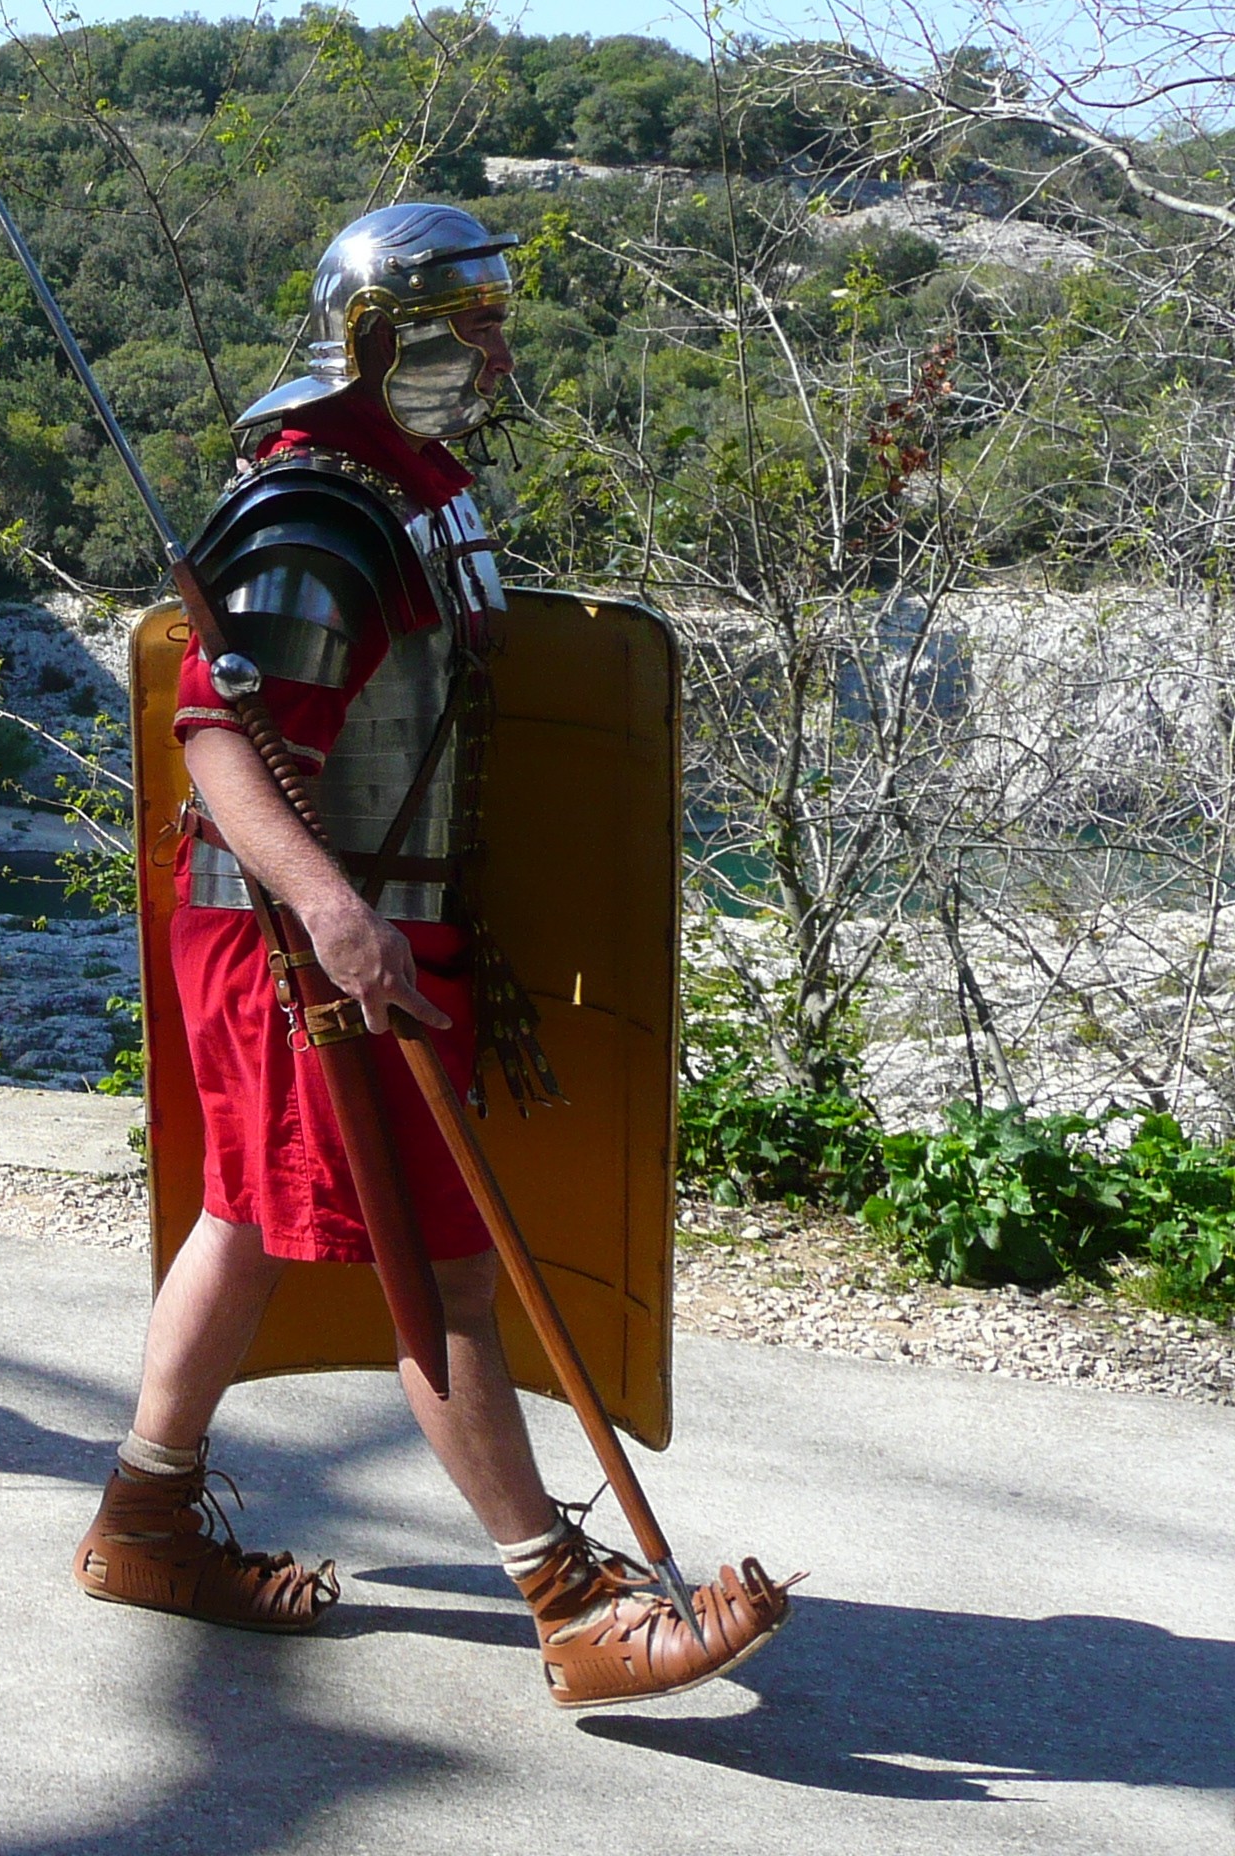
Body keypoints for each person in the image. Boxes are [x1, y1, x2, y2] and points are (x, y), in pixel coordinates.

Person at [73, 202, 790, 1706]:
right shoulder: (317, 519)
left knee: (249, 1220)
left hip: (347, 926)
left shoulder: (393, 496)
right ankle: (566, 1600)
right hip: (307, 941)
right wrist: (338, 917)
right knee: (442, 1274)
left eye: (496, 323)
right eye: (472, 328)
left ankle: (144, 1519)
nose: (497, 354)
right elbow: (219, 739)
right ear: (378, 340)